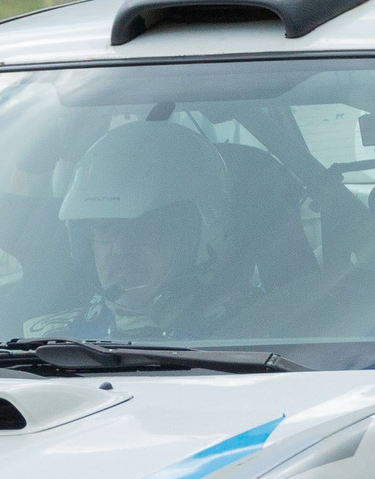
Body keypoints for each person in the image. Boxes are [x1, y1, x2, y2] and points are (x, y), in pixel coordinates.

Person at [24, 119, 237, 341]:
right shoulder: (59, 342)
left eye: (147, 228)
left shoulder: (244, 338)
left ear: (199, 238)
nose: (121, 248)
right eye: (106, 228)